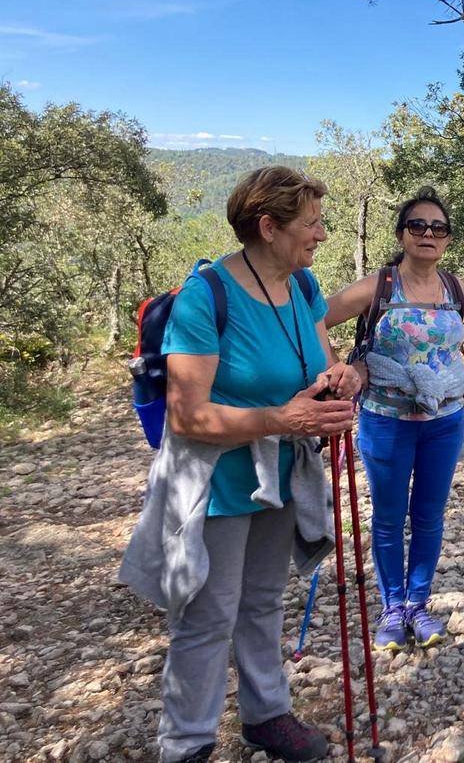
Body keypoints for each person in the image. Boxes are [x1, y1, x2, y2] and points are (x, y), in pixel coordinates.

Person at [120, 166, 361, 763]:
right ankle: (187, 744)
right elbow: (188, 418)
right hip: (216, 482)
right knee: (207, 613)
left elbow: (320, 365)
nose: (321, 235)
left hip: (279, 473)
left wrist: (341, 378)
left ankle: (267, 715)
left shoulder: (303, 288)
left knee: (261, 601)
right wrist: (283, 420)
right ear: (268, 226)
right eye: (311, 224)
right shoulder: (206, 297)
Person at [326, 186, 464, 650]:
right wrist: (339, 371)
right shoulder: (380, 286)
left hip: (444, 421)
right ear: (402, 234)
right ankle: (392, 609)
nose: (428, 234)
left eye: (438, 228)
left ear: (447, 240)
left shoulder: (454, 289)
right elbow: (314, 319)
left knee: (429, 516)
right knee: (388, 518)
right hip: (385, 419)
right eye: (418, 226)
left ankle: (418, 606)